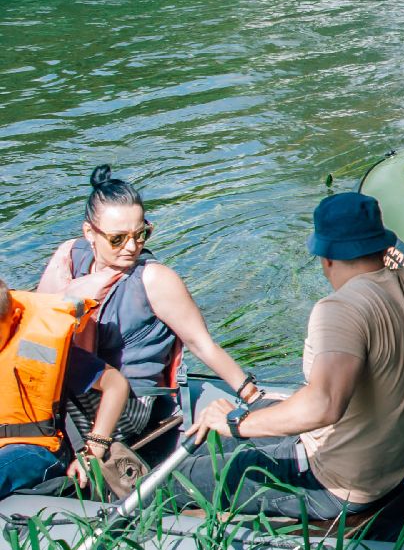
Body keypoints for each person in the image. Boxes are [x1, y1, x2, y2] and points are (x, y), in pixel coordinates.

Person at [176, 193, 404, 519]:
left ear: (325, 256)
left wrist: (238, 423)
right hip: (388, 470)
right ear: (384, 246)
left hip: (332, 484)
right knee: (228, 436)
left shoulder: (338, 310)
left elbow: (324, 406)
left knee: (180, 477)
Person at [37, 167, 264, 451]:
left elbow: (201, 344)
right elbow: (38, 325)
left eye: (141, 233)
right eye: (117, 238)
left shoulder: (155, 280)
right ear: (89, 233)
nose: (131, 246)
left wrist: (253, 396)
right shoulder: (71, 257)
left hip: (131, 403)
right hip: (90, 385)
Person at [0, 275, 132, 499]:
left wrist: (95, 449)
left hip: (36, 449)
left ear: (11, 317)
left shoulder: (36, 348)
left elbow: (115, 384)